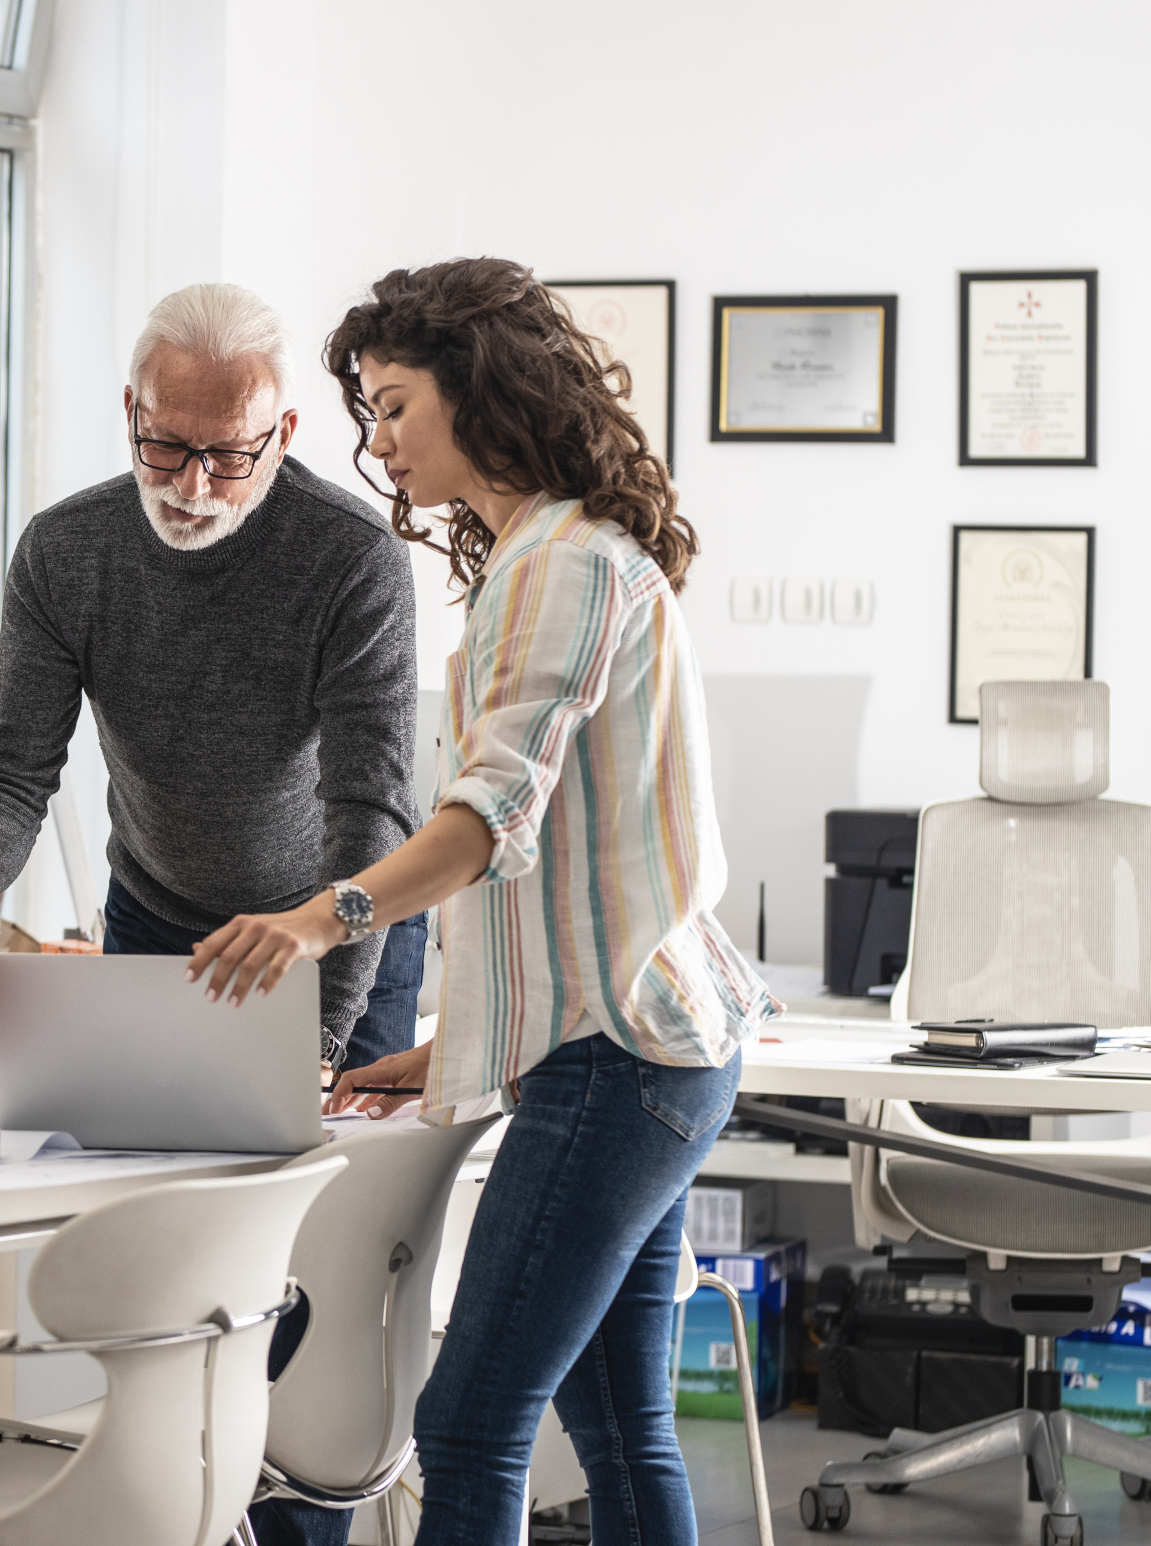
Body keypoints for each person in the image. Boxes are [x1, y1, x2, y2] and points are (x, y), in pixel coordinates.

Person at [189, 258, 777, 1546]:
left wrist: (315, 916)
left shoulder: (555, 563)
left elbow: (489, 820)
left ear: (479, 390)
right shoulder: (558, 550)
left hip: (617, 1063)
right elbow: (554, 869)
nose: (377, 441)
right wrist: (448, 1046)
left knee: (466, 1428)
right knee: (621, 1430)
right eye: (369, 410)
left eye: (395, 405)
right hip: (641, 1049)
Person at [0, 282, 426, 1081]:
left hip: (339, 918)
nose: (190, 487)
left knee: (340, 1178)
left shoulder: (351, 557)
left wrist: (320, 1029)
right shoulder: (65, 551)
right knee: (137, 1163)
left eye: (229, 456)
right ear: (131, 408)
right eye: (164, 444)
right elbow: (14, 763)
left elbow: (369, 806)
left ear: (283, 436)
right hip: (157, 911)